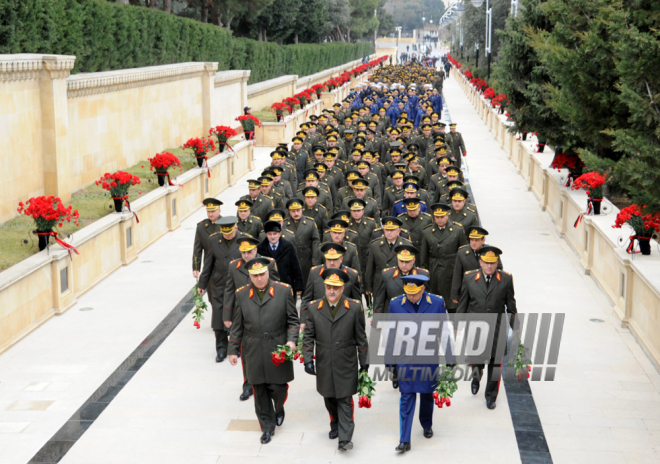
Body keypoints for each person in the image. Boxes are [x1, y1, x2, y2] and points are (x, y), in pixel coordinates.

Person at [228, 258, 300, 443]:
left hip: (278, 347)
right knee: (259, 390)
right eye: (255, 275)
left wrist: (292, 341)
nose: (259, 279)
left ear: (268, 273)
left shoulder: (283, 291)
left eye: (262, 274)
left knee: (278, 388)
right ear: (250, 276)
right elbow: (237, 325)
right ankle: (267, 427)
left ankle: (278, 406)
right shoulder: (242, 295)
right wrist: (233, 349)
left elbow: (293, 321)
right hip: (253, 349)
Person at [303, 268, 369, 452]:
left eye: (336, 288)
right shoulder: (314, 308)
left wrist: (364, 361)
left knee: (345, 398)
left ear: (342, 289)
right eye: (328, 287)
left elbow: (361, 337)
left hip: (346, 360)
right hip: (325, 360)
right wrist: (308, 357)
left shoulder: (354, 307)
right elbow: (308, 335)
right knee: (329, 397)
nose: (332, 291)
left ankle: (345, 438)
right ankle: (335, 423)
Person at [388, 275, 447, 452]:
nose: (411, 297)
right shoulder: (396, 304)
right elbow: (391, 334)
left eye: (414, 294)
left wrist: (450, 360)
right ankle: (404, 439)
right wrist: (390, 363)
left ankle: (426, 424)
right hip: (405, 362)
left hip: (428, 361)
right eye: (408, 293)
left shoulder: (436, 303)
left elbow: (443, 332)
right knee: (406, 398)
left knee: (427, 396)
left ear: (422, 289)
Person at [456, 246, 517, 410]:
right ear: (480, 262)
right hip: (475, 326)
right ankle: (476, 377)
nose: (489, 267)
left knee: (495, 364)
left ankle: (491, 396)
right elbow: (463, 303)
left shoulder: (505, 279)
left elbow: (511, 306)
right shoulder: (470, 278)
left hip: (497, 327)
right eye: (486, 263)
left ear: (497, 263)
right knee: (476, 360)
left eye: (492, 263)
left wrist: (515, 327)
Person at [223, 238, 279, 401]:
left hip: (266, 313)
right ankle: (248, 385)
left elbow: (277, 286)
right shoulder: (234, 266)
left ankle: (268, 383)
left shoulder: (268, 263)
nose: (246, 255)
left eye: (250, 252)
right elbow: (229, 290)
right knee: (246, 353)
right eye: (243, 252)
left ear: (256, 250)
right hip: (245, 316)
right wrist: (227, 315)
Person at [198, 216, 246, 362]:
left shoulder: (244, 240)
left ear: (235, 228)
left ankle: (236, 347)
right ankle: (221, 349)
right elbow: (208, 264)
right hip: (219, 285)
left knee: (236, 317)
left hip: (238, 285)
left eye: (229, 232)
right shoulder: (214, 240)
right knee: (218, 317)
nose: (226, 235)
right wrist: (202, 284)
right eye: (224, 233)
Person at [420, 203, 467, 312]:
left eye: (442, 216)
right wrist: (426, 275)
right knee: (434, 305)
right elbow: (423, 258)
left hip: (452, 271)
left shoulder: (457, 230)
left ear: (448, 215)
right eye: (437, 217)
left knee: (453, 305)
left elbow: (463, 254)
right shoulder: (427, 232)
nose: (440, 219)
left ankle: (454, 328)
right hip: (434, 271)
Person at [301, 243, 362, 325]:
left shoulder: (351, 275)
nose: (332, 262)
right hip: (319, 319)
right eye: (329, 259)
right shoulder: (314, 273)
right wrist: (303, 321)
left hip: (344, 321)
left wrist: (360, 324)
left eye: (335, 259)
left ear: (341, 259)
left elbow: (357, 303)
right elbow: (307, 299)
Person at [451, 226, 502, 304]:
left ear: (483, 241)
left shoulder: (491, 252)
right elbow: (457, 275)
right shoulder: (462, 252)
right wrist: (455, 294)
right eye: (472, 240)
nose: (473, 243)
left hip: (486, 290)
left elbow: (499, 271)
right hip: (468, 291)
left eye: (477, 240)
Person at [364, 217, 413, 299]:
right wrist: (368, 286)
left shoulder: (406, 245)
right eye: (387, 230)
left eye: (392, 230)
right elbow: (370, 267)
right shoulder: (375, 245)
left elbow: (411, 266)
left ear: (399, 231)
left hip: (398, 282)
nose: (389, 232)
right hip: (380, 283)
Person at [373, 245, 430, 314]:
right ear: (397, 259)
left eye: (407, 261)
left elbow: (427, 300)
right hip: (393, 316)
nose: (404, 265)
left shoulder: (422, 275)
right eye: (401, 261)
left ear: (413, 260)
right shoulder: (387, 275)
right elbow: (380, 302)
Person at [257, 221, 305, 297]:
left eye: (275, 234)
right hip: (268, 286)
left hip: (286, 283)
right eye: (270, 234)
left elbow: (296, 267)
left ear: (280, 233)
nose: (272, 237)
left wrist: (299, 285)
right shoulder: (260, 249)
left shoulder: (288, 247)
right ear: (266, 234)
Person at [283, 198, 321, 287]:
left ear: (302, 210)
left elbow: (316, 240)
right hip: (290, 258)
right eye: (293, 211)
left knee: (307, 284)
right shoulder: (285, 224)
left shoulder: (310, 222)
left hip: (306, 258)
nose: (296, 213)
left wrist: (314, 258)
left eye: (298, 210)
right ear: (289, 211)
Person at [193, 198, 222, 279]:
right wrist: (196, 267)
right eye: (208, 212)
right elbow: (197, 248)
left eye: (213, 211)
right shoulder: (201, 227)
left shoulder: (226, 225)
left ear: (219, 211)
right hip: (208, 267)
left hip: (223, 267)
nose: (210, 214)